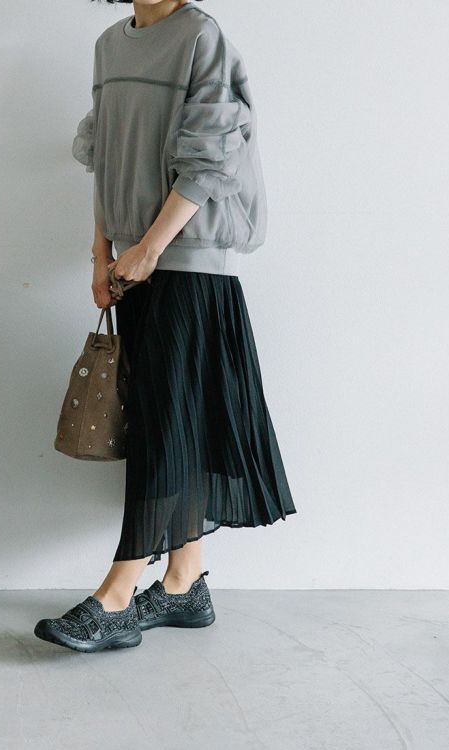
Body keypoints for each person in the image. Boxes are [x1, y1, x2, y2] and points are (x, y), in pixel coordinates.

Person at [34, 0, 297, 652]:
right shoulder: (110, 44)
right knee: (169, 422)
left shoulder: (200, 36)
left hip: (191, 261)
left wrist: (150, 248)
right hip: (134, 262)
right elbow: (104, 158)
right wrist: (103, 253)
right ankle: (184, 582)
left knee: (166, 427)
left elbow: (210, 158)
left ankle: (118, 594)